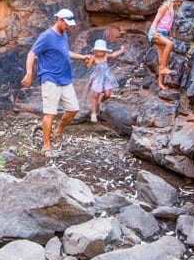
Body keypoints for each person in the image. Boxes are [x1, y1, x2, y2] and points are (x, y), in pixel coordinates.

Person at [21, 8, 90, 158]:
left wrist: (82, 56)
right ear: (59, 20)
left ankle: (57, 131)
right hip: (50, 78)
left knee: (73, 109)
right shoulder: (46, 36)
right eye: (67, 24)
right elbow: (32, 53)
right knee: (50, 113)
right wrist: (29, 72)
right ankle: (46, 146)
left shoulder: (63, 35)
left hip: (65, 78)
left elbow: (66, 53)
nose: (69, 27)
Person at [147, 0, 186, 90]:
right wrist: (154, 33)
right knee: (170, 44)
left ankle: (160, 83)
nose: (179, 3)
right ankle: (163, 68)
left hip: (163, 33)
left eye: (180, 1)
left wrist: (168, 34)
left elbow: (167, 24)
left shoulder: (171, 9)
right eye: (178, 1)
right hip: (155, 33)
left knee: (162, 59)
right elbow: (156, 21)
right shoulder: (164, 7)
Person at [86, 38, 124, 122]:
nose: (101, 53)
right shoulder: (93, 57)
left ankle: (102, 101)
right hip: (97, 77)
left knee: (107, 94)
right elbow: (88, 66)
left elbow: (113, 55)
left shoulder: (106, 56)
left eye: (103, 51)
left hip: (106, 77)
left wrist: (121, 50)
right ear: (95, 51)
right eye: (99, 51)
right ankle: (93, 113)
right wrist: (87, 61)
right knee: (95, 95)